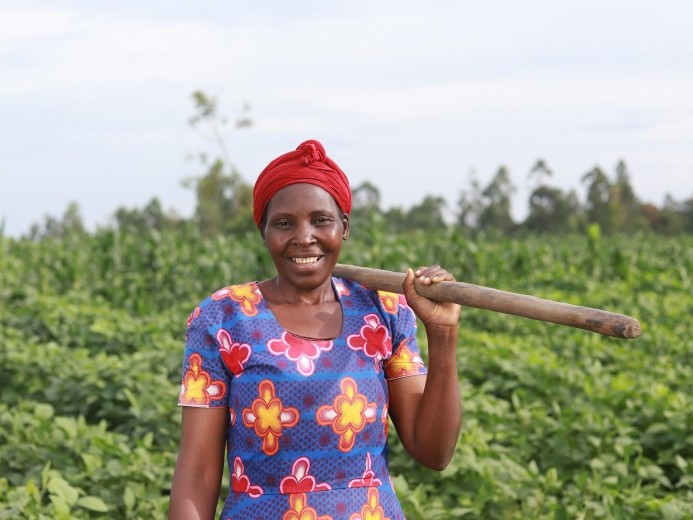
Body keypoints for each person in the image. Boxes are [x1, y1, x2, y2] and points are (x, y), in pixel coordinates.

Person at [168, 140, 462, 519]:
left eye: (321, 220)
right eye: (284, 223)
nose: (304, 237)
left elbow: (433, 452)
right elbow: (198, 474)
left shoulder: (383, 310)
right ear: (264, 232)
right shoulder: (224, 318)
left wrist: (442, 335)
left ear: (344, 228)